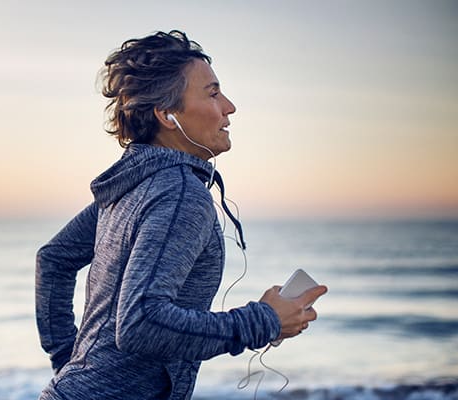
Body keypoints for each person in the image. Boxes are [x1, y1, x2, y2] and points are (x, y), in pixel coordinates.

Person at [35, 30, 327, 400]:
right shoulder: (179, 194)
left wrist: (72, 367)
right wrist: (264, 320)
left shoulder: (135, 185)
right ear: (167, 115)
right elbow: (141, 322)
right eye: (213, 93)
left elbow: (53, 259)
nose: (229, 106)